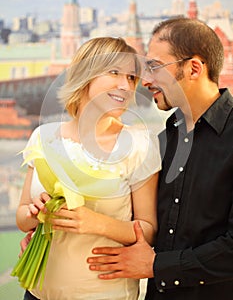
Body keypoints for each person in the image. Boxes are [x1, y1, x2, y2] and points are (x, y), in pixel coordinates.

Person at [87, 17, 233, 300]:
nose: (146, 80)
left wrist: (156, 265)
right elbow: (139, 221)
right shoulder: (165, 138)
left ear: (193, 68)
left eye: (154, 67)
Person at [15, 37, 161, 300]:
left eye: (131, 77)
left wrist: (96, 223)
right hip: (36, 293)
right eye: (114, 72)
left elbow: (148, 229)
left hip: (104, 293)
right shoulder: (42, 137)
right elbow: (22, 216)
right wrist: (35, 213)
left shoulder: (139, 143)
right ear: (86, 75)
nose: (125, 85)